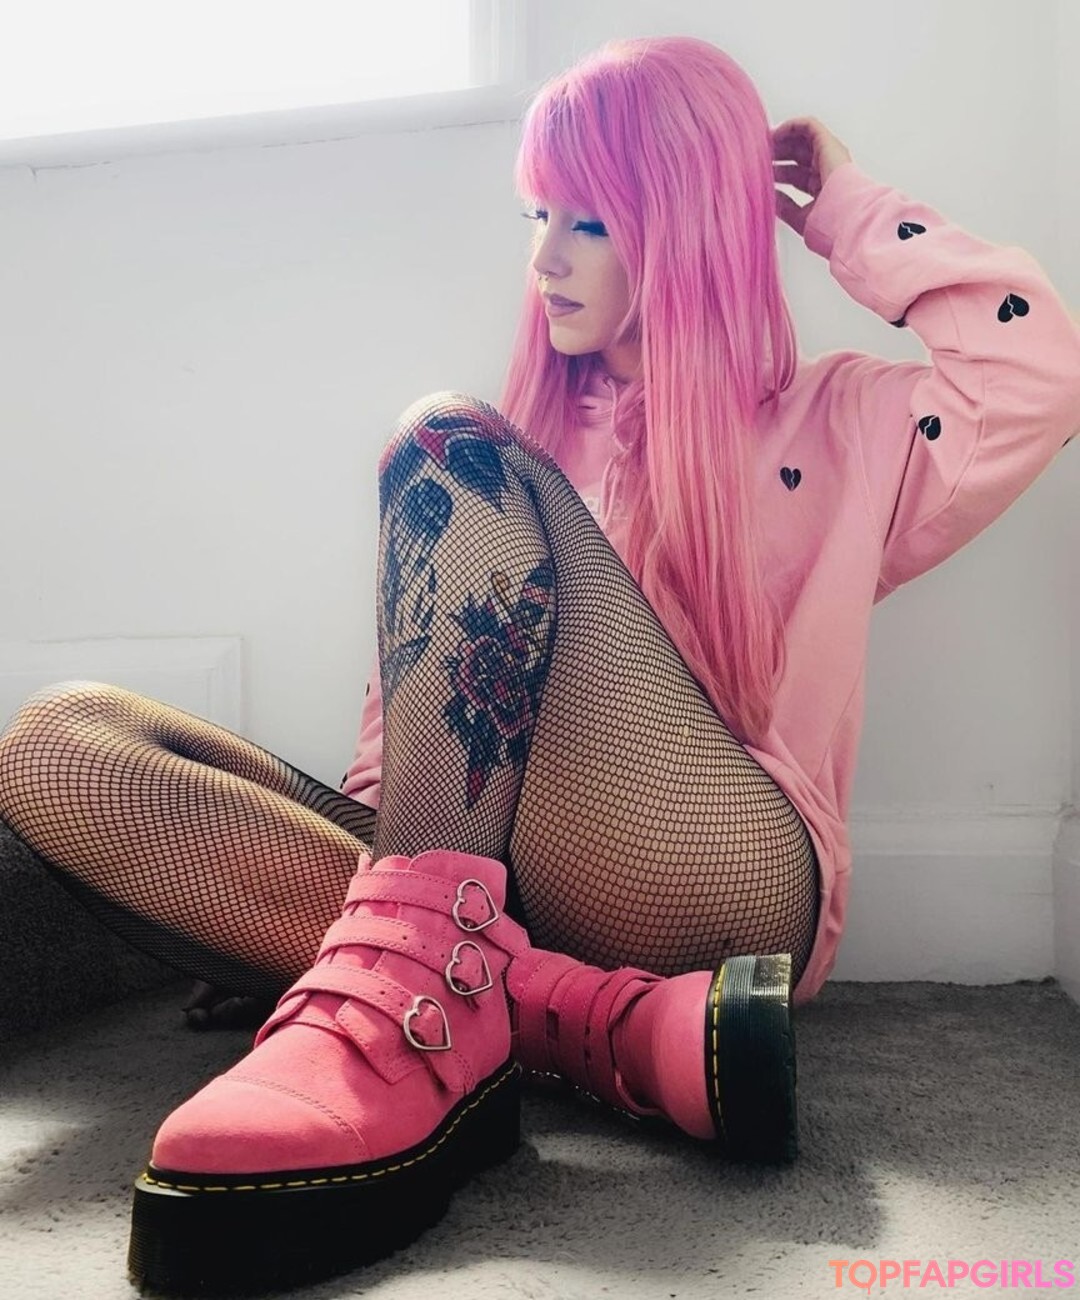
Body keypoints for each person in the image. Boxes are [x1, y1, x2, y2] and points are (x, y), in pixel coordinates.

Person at [1, 32, 1078, 1296]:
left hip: (718, 877)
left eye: (591, 221)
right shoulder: (529, 446)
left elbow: (1038, 376)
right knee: (56, 747)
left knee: (446, 446)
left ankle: (430, 988)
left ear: (682, 228)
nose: (545, 257)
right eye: (537, 215)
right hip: (490, 893)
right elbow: (407, 741)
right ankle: (586, 1019)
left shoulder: (841, 423)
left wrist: (843, 205)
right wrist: (361, 883)